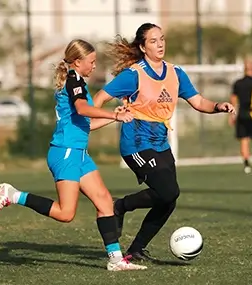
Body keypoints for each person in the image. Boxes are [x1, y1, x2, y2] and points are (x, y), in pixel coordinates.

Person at [0, 39, 147, 271]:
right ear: (77, 61)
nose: (94, 66)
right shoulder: (74, 81)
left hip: (78, 153)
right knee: (65, 213)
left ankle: (115, 260)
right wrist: (114, 116)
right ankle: (13, 195)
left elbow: (86, 124)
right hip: (66, 153)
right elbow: (82, 109)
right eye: (91, 62)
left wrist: (115, 115)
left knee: (104, 202)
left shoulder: (78, 81)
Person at [93, 23, 236, 261]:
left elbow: (198, 101)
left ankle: (136, 249)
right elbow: (100, 97)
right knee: (168, 191)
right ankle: (120, 206)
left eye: (162, 39)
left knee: (169, 199)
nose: (159, 44)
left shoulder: (175, 73)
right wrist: (91, 116)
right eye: (153, 41)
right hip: (136, 143)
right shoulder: (134, 75)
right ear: (142, 47)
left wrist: (218, 107)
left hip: (160, 142)